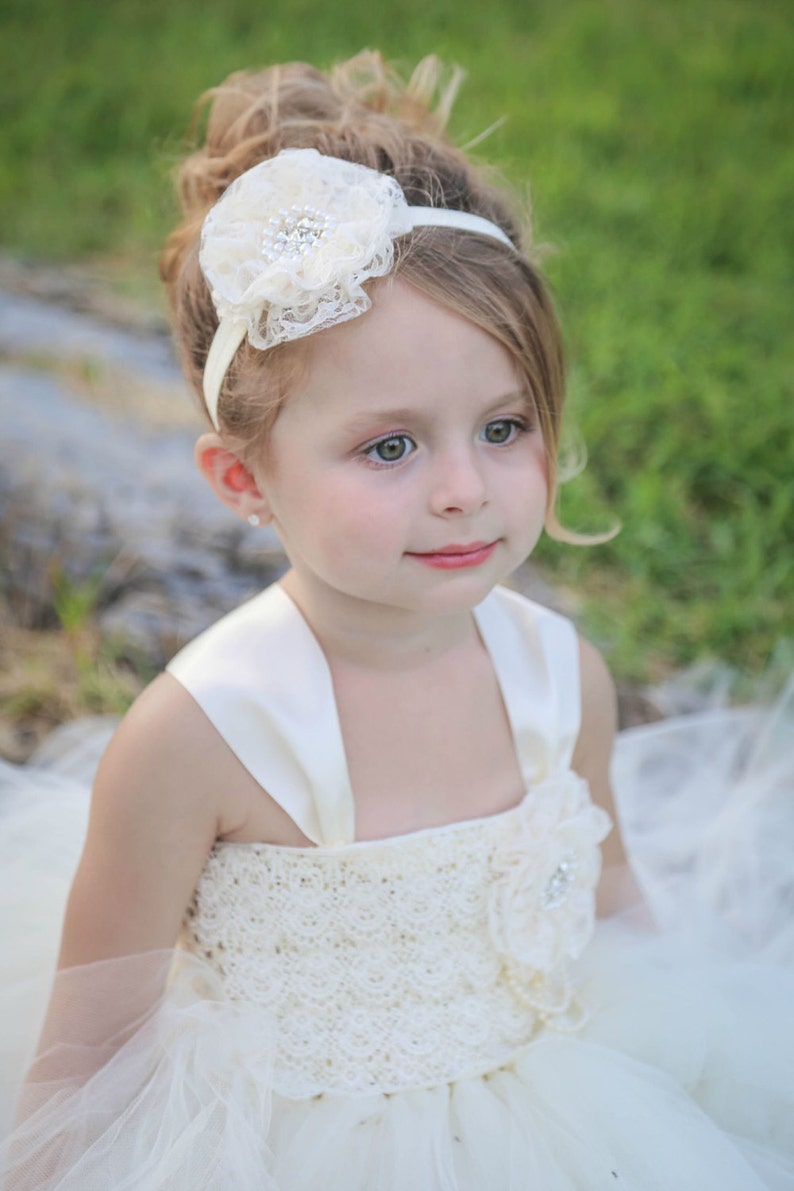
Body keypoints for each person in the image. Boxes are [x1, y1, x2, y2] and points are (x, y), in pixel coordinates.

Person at [1, 50, 792, 1190]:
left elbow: (608, 892)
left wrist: (688, 1067)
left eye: (505, 426)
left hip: (553, 1115)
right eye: (389, 445)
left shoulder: (559, 677)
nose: (464, 487)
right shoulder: (195, 741)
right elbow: (87, 1062)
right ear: (244, 483)